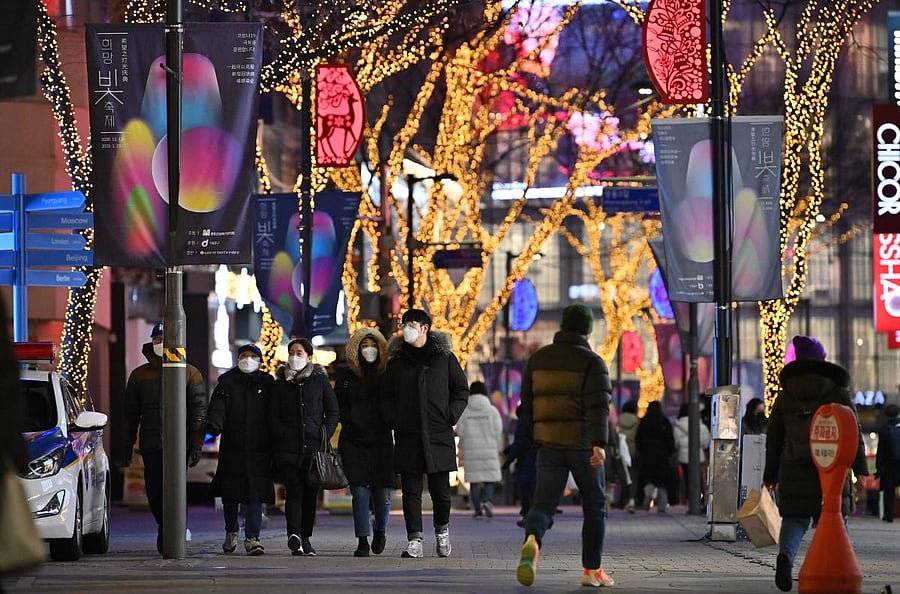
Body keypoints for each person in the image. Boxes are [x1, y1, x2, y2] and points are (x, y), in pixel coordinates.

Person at [515, 304, 615, 589]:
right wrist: (599, 443)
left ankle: (533, 539)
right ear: (586, 329)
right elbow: (598, 407)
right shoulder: (592, 362)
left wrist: (538, 435)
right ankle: (591, 571)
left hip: (549, 445)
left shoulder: (538, 359)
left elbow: (527, 405)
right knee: (595, 506)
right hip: (583, 447)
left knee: (543, 504)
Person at [763, 335, 869, 592]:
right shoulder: (837, 391)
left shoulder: (785, 395)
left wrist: (770, 475)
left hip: (793, 468)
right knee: (834, 518)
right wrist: (861, 470)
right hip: (831, 470)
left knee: (794, 518)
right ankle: (834, 565)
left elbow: (774, 439)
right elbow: (853, 430)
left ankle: (785, 558)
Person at [380, 309, 469, 559]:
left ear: (425, 328)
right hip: (408, 435)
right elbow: (386, 396)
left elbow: (461, 390)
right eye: (404, 324)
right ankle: (414, 540)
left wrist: (450, 415)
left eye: (411, 324)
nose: (406, 328)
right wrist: (393, 419)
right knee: (411, 492)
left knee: (441, 492)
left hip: (438, 434)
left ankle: (442, 532)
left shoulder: (444, 358)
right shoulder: (397, 362)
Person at [121, 322, 207, 554]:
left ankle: (173, 532)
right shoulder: (139, 375)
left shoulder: (189, 372)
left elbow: (199, 413)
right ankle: (165, 526)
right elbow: (130, 415)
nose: (161, 343)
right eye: (157, 339)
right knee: (155, 492)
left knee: (177, 490)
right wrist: (125, 447)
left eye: (165, 339)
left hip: (180, 446)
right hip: (152, 444)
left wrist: (195, 446)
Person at [270, 337, 340, 556]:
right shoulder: (281, 382)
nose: (294, 356)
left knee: (310, 496)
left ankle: (306, 538)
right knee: (293, 493)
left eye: (299, 352)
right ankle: (294, 535)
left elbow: (333, 411)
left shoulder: (319, 380)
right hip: (289, 449)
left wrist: (324, 433)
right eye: (291, 352)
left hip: (313, 450)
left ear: (309, 357)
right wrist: (281, 433)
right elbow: (272, 414)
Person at [206, 343, 276, 556]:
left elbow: (275, 412)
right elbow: (217, 409)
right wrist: (214, 425)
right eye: (244, 355)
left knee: (255, 494)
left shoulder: (267, 383)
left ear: (259, 361)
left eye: (252, 356)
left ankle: (253, 538)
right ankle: (231, 531)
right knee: (231, 494)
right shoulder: (226, 383)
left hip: (260, 448)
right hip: (233, 447)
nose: (248, 359)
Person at [334, 328, 394, 557]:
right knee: (359, 493)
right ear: (356, 349)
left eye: (372, 344)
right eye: (364, 344)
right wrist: (351, 421)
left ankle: (380, 529)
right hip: (354, 442)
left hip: (381, 443)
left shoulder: (387, 375)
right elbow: (337, 408)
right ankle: (362, 540)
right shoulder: (346, 378)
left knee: (382, 495)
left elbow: (395, 404)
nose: (368, 349)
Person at [455, 381, 503, 519]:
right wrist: (492, 441)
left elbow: (460, 431)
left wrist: (465, 443)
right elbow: (498, 429)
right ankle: (487, 501)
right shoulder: (492, 410)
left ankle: (477, 510)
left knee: (474, 481)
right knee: (489, 478)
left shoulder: (465, 411)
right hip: (489, 449)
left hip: (471, 451)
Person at [635, 400, 677, 513]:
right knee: (662, 482)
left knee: (649, 479)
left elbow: (638, 440)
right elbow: (670, 440)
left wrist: (641, 452)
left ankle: (648, 495)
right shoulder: (664, 422)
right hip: (662, 456)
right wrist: (670, 452)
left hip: (647, 455)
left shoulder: (644, 422)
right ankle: (662, 506)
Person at [503, 403, 537, 527]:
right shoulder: (537, 417)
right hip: (538, 459)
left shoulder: (523, 420)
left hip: (526, 461)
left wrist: (508, 460)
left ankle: (528, 516)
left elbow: (520, 442)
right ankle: (540, 516)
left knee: (525, 490)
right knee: (535, 489)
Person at [673, 402, 711, 506]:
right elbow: (706, 442)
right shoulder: (701, 426)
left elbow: (675, 443)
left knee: (686, 479)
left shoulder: (677, 426)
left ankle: (689, 501)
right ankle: (700, 500)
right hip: (699, 456)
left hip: (683, 457)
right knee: (699, 480)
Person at [875, 403, 900, 523]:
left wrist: (879, 468)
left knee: (889, 492)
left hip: (889, 465)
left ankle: (888, 515)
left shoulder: (884, 429)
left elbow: (881, 452)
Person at [617, 399, 640, 512]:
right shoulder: (637, 421)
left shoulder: (619, 420)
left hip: (621, 452)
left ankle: (621, 500)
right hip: (633, 451)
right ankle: (631, 500)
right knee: (632, 476)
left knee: (621, 476)